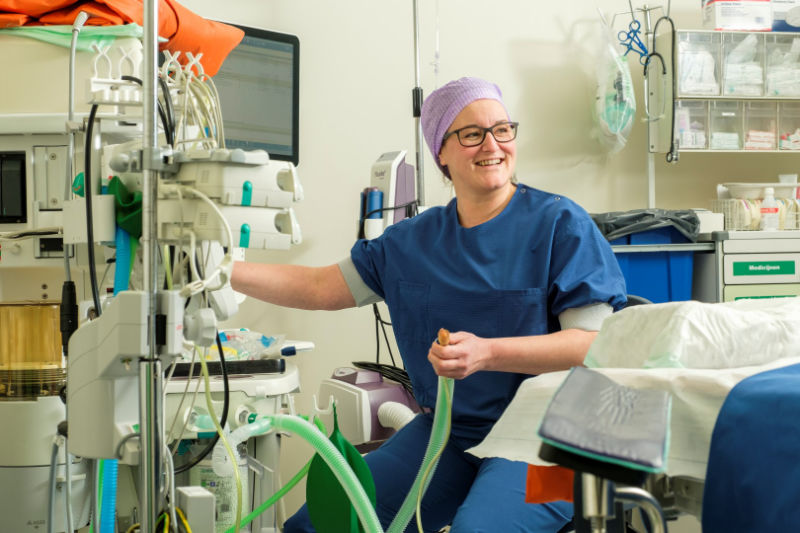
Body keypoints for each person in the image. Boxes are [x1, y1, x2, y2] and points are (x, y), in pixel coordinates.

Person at [231, 77, 627, 532]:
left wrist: (489, 352)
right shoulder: (411, 242)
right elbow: (321, 287)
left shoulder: (560, 223)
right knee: (320, 523)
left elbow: (593, 345)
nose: (492, 145)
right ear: (442, 151)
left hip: (553, 444)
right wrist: (219, 273)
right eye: (472, 133)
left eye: (502, 129)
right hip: (453, 436)